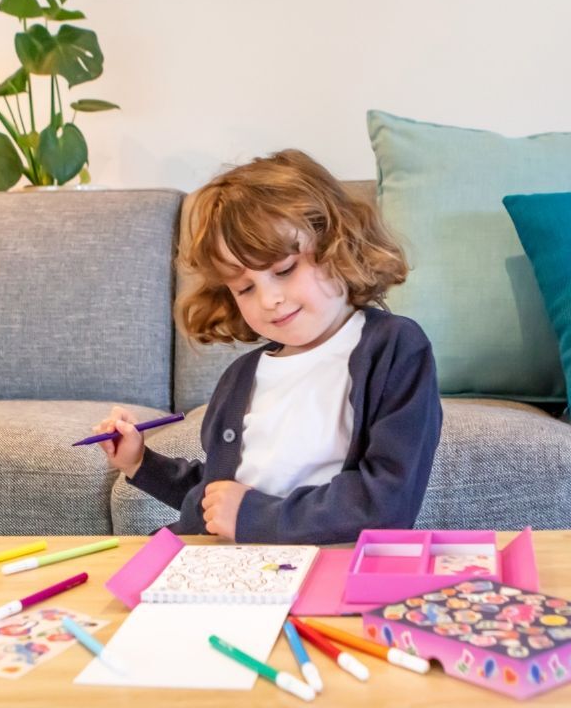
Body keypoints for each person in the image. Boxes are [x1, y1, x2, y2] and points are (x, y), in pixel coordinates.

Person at [94, 149, 442, 544]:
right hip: (224, 558)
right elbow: (219, 497)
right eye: (245, 288)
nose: (269, 299)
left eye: (284, 270)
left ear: (336, 243)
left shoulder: (394, 349)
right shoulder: (241, 376)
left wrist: (252, 515)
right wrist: (140, 462)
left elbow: (387, 501)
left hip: (323, 561)